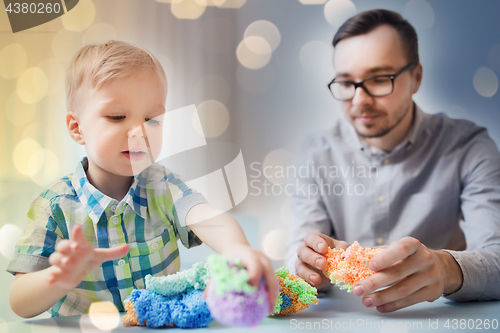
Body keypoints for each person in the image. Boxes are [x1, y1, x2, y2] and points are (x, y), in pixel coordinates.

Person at [7, 41, 277, 318]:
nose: (139, 131)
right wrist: (59, 278)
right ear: (77, 128)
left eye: (152, 119)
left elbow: (205, 216)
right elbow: (19, 302)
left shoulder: (162, 185)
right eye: (117, 116)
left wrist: (237, 249)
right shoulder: (52, 207)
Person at [286, 9, 500, 313]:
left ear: (416, 78)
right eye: (346, 82)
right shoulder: (315, 152)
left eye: (378, 79)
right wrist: (308, 264)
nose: (360, 100)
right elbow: (297, 253)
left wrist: (447, 268)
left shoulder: (470, 147)